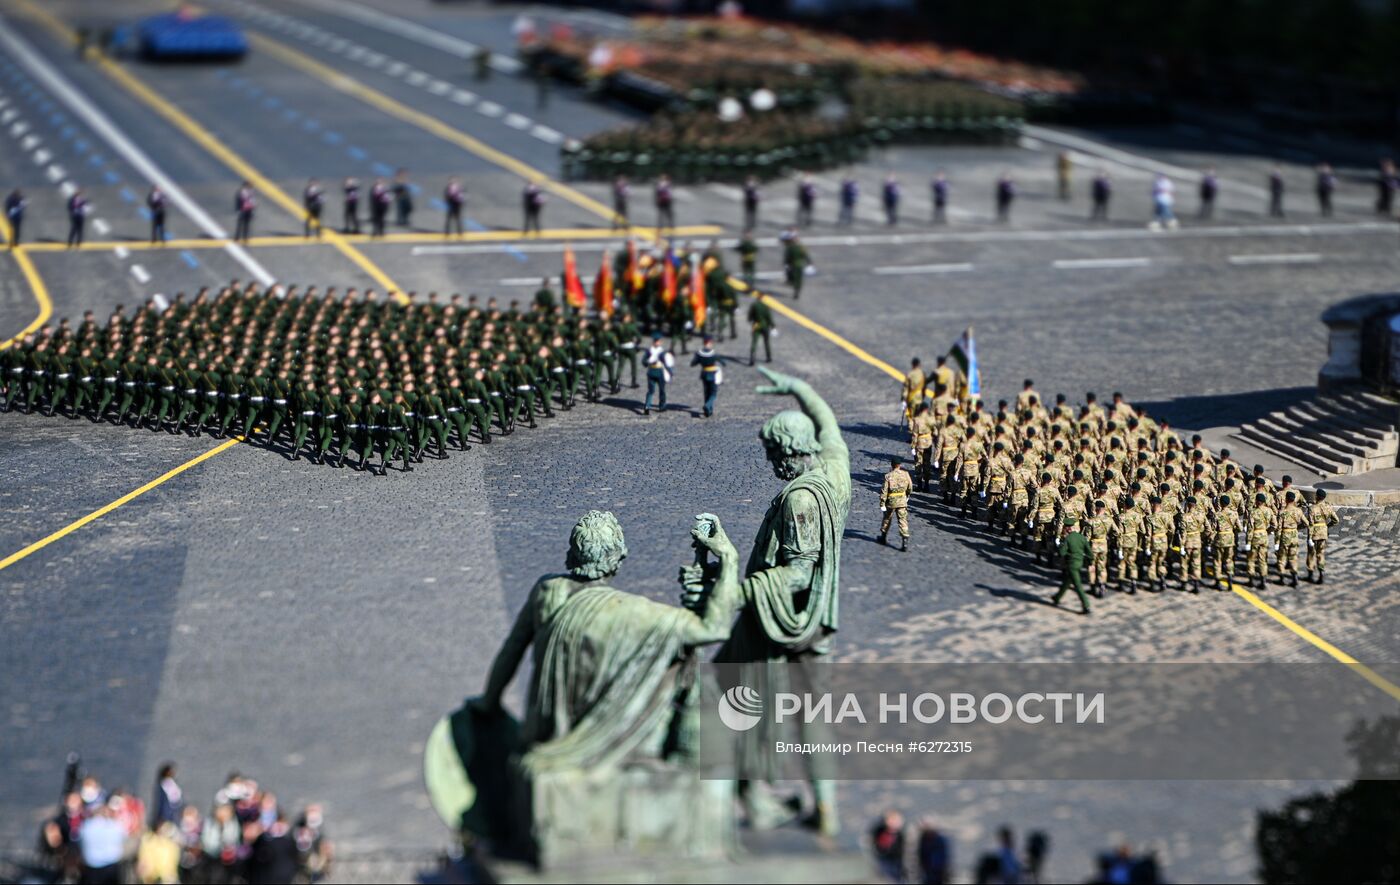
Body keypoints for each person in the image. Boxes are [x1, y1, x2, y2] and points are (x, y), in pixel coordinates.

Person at [78, 799, 127, 884]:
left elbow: (80, 843)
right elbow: (123, 837)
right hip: (111, 866)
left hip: (92, 867)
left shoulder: (85, 827)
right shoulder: (114, 826)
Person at [1051, 515, 1091, 614]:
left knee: (1077, 585)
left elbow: (1062, 553)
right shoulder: (1081, 537)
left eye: (1064, 527)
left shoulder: (1068, 539)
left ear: (1067, 528)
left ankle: (1086, 605)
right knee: (1067, 581)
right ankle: (1057, 597)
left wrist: (1060, 546)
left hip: (1072, 564)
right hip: (1080, 562)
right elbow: (1089, 552)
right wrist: (1090, 562)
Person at [878, 457, 912, 552]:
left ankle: (883, 537)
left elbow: (884, 491)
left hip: (891, 502)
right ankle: (904, 541)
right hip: (902, 501)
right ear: (899, 465)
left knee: (887, 518)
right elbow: (910, 487)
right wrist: (907, 496)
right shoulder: (905, 474)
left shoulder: (888, 476)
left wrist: (882, 504)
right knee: (902, 520)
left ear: (892, 465)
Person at [1306, 487, 1338, 583]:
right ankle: (1321, 573)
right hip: (1323, 533)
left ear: (1317, 496)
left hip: (1314, 533)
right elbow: (1336, 520)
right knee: (1321, 554)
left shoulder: (1312, 508)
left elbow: (1311, 524)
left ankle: (1310, 574)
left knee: (1311, 554)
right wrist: (1327, 526)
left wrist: (1309, 537)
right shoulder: (1328, 507)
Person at [691, 334, 722, 417]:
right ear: (710, 343)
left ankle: (708, 412)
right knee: (713, 393)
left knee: (706, 392)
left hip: (704, 374)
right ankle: (708, 406)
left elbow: (693, 363)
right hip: (712, 374)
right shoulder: (713, 353)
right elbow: (721, 361)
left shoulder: (699, 353)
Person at [643, 331, 673, 415]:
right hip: (658, 372)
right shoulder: (661, 352)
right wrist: (670, 372)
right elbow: (667, 364)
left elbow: (644, 362)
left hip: (652, 371)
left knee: (652, 391)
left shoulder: (649, 351)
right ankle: (661, 406)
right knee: (661, 390)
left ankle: (647, 406)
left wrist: (648, 362)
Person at [871, 810, 906, 882]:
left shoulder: (901, 834)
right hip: (887, 861)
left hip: (899, 862)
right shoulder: (881, 832)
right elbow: (881, 847)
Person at [917, 819, 951, 885]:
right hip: (927, 872)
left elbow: (941, 858)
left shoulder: (940, 840)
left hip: (937, 872)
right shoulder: (923, 839)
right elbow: (921, 854)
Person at [149, 763, 182, 828]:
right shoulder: (163, 785)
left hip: (173, 815)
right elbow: (162, 803)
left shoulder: (172, 784)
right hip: (165, 817)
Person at [782, 231, 810, 299]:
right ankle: (794, 287)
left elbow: (805, 255)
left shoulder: (798, 247)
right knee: (794, 278)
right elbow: (788, 256)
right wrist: (786, 263)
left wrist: (809, 262)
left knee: (798, 279)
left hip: (798, 265)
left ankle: (796, 291)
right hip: (794, 265)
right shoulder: (792, 247)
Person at [748, 295, 774, 365]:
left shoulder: (754, 305)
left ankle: (752, 357)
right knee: (766, 342)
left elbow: (750, 316)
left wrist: (751, 320)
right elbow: (769, 317)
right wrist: (773, 326)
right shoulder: (766, 306)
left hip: (756, 325)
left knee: (754, 342)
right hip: (765, 326)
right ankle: (768, 357)